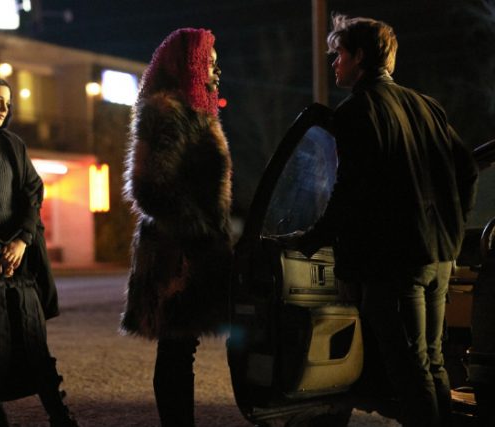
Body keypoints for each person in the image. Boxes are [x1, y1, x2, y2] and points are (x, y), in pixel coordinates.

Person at [281, 14, 479, 427]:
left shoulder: (358, 111)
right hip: (439, 257)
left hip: (394, 265)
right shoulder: (427, 106)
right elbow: (467, 170)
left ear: (359, 57)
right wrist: (452, 230)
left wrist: (310, 239)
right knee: (434, 362)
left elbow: (348, 192)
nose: (335, 63)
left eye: (339, 54)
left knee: (410, 369)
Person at [121, 28, 233, 427]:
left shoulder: (198, 112)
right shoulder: (165, 110)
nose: (216, 71)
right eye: (209, 63)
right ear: (189, 64)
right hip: (175, 255)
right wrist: (197, 230)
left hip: (195, 251)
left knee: (183, 349)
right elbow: (149, 187)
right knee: (175, 350)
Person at [0, 73, 78, 427]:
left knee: (32, 337)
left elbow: (32, 192)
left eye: (8, 103)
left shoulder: (13, 144)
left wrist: (22, 240)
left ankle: (58, 414)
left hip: (21, 258)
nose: (4, 108)